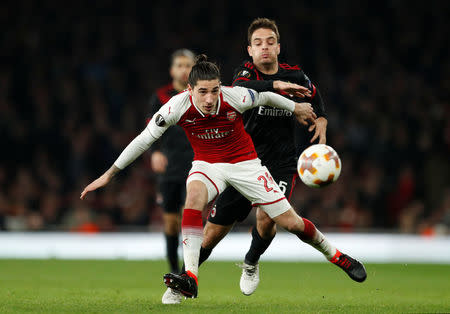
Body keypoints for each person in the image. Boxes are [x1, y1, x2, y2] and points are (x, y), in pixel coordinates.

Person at [80, 55, 365, 301]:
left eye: (214, 91)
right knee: (193, 198)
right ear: (189, 89)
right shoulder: (176, 106)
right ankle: (190, 277)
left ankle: (338, 256)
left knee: (289, 222)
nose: (210, 98)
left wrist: (295, 107)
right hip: (207, 164)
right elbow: (143, 140)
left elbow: (265, 96)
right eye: (203, 92)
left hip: (246, 165)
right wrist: (109, 174)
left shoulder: (235, 96)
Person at [161, 18, 361, 304]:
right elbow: (243, 86)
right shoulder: (244, 74)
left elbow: (315, 98)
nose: (264, 47)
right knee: (212, 234)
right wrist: (276, 85)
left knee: (268, 218)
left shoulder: (297, 75)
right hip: (239, 161)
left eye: (269, 42)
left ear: (278, 47)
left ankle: (251, 262)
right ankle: (182, 280)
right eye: (258, 43)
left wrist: (323, 120)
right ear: (250, 50)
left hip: (280, 162)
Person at [148, 49, 195, 274]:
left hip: (196, 166)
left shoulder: (201, 95)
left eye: (188, 65)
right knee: (171, 223)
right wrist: (154, 153)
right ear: (172, 70)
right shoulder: (159, 97)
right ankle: (174, 270)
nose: (184, 69)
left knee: (189, 219)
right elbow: (150, 132)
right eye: (180, 65)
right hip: (169, 169)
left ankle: (188, 271)